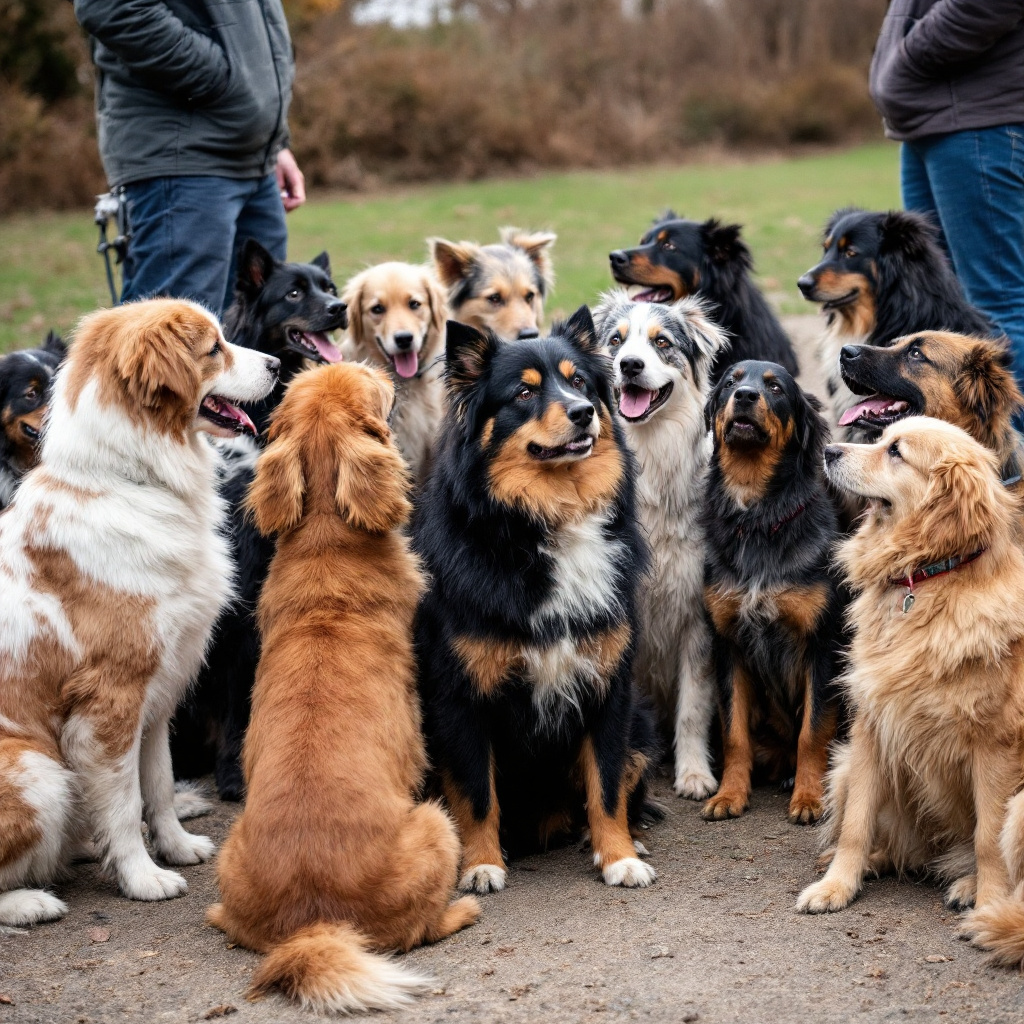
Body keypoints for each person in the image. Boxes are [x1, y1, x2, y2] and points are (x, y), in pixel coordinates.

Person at [74, 0, 305, 315]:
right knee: (174, 338)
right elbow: (113, 8)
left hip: (255, 162)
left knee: (252, 334)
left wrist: (275, 142)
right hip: (182, 157)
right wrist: (222, 83)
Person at [870, 1, 1024, 388]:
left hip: (975, 122)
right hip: (931, 120)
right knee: (946, 301)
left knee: (998, 303)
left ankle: (1010, 427)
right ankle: (965, 427)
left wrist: (907, 60)